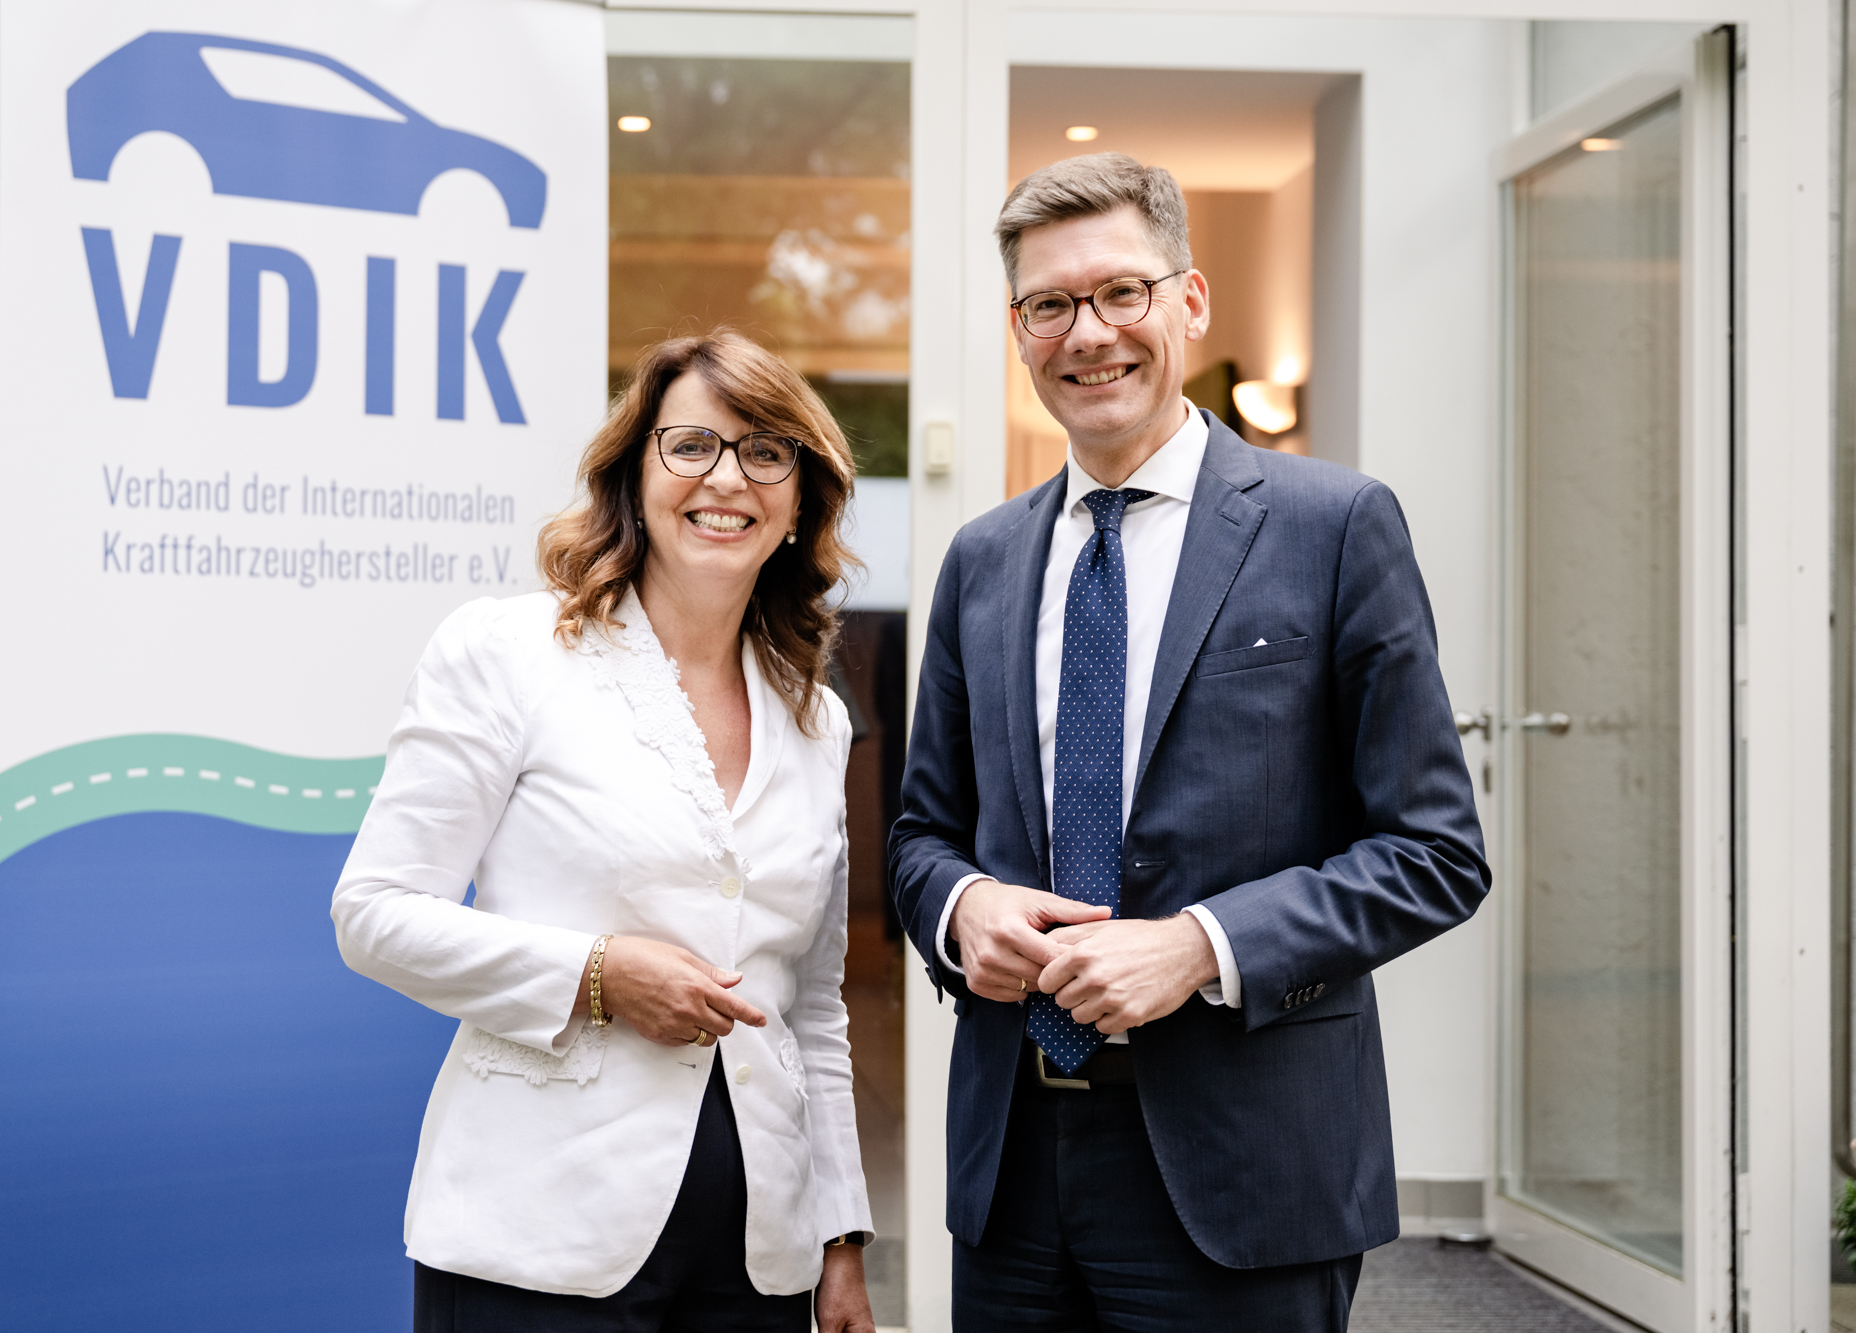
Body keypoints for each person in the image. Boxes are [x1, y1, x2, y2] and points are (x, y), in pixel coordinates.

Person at [888, 152, 1490, 1331]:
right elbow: (921, 832)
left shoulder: (1334, 526)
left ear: (1190, 300)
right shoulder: (981, 561)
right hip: (1010, 1170)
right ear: (1018, 331)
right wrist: (961, 908)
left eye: (1121, 291)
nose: (1087, 334)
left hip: (1247, 1166)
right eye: (1048, 305)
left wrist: (1197, 946)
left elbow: (1433, 852)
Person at [333, 330, 877, 1333]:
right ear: (635, 475)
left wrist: (839, 1237)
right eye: (692, 445)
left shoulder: (815, 718)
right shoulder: (507, 651)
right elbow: (373, 915)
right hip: (536, 1240)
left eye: (766, 452)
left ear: (801, 500)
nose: (728, 478)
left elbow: (810, 1005)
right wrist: (597, 974)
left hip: (755, 1260)